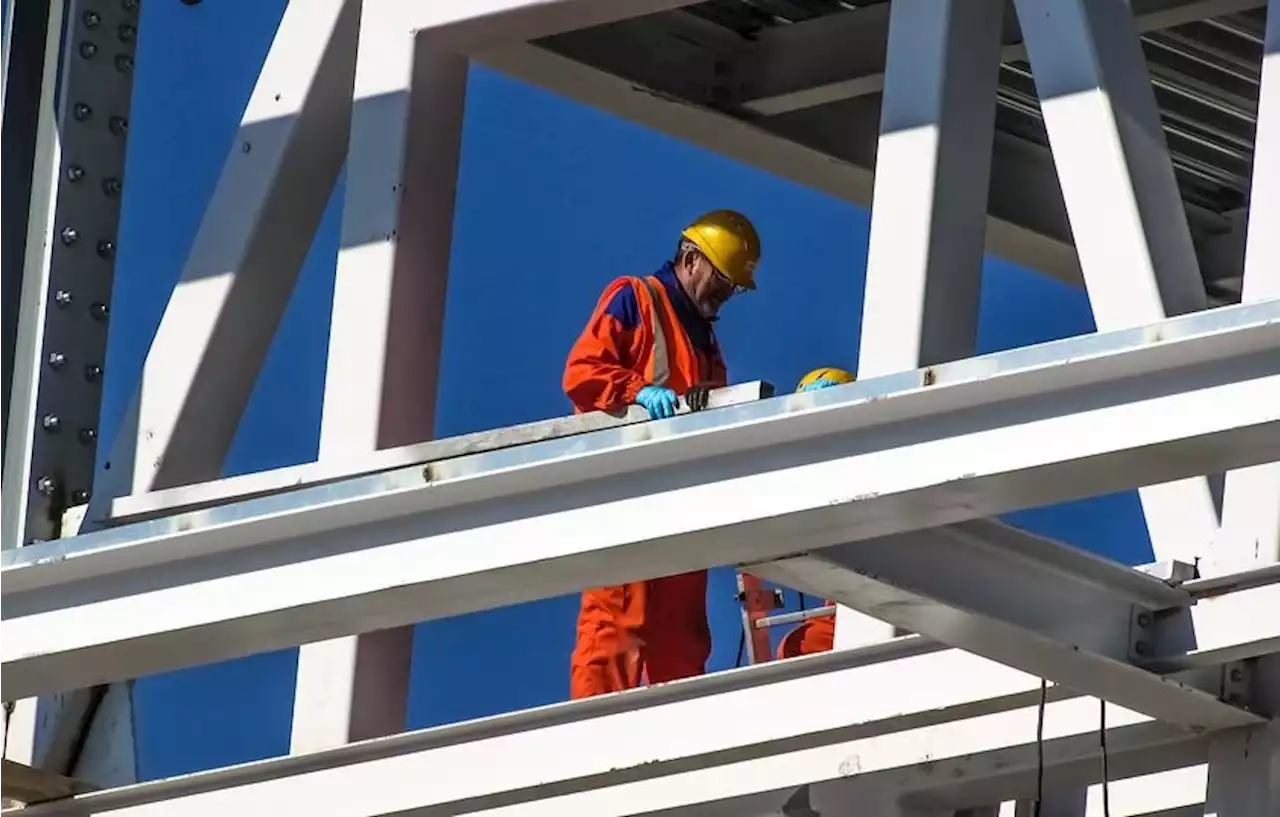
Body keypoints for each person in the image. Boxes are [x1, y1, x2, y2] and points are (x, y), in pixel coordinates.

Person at [562, 209, 762, 699]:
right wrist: (635, 393)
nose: (725, 295)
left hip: (678, 506)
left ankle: (677, 745)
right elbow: (583, 372)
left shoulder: (707, 344)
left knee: (683, 642)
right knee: (615, 627)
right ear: (691, 259)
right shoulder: (635, 297)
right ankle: (592, 744)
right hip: (625, 497)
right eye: (722, 280)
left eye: (732, 287)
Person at [775, 366, 857, 660]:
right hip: (846, 610)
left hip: (912, 607)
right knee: (799, 648)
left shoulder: (874, 467)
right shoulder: (814, 483)